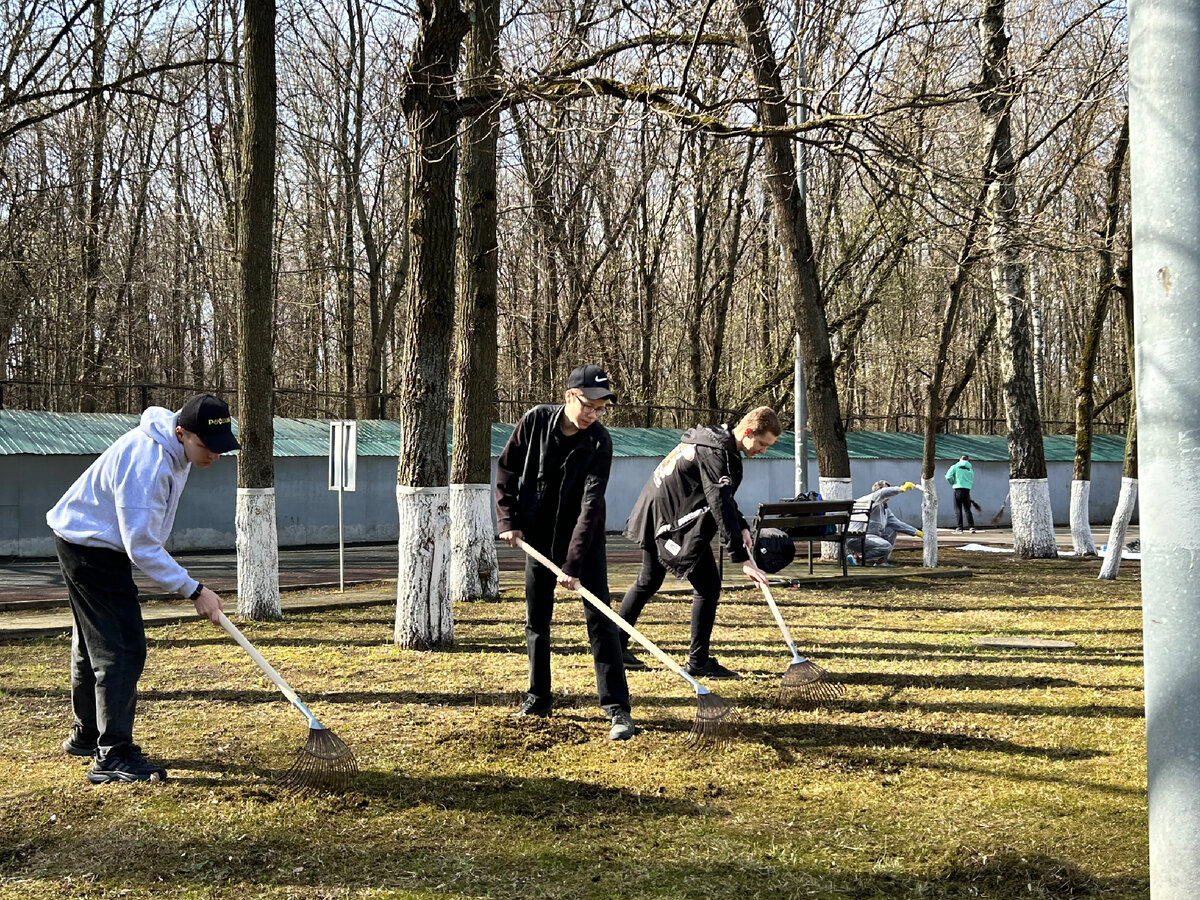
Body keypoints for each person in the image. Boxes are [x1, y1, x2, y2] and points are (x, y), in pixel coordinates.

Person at [46, 393, 237, 783]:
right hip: (91, 549)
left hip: (88, 541)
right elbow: (141, 546)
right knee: (121, 648)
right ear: (181, 432)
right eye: (206, 446)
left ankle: (88, 734)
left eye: (220, 448)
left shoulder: (175, 447)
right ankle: (112, 754)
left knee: (92, 642)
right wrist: (195, 590)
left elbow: (145, 535)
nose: (213, 456)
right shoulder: (148, 462)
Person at [494, 364, 635, 741]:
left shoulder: (599, 443)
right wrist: (507, 519)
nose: (593, 414)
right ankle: (538, 697)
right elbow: (506, 469)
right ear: (570, 396)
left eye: (600, 408)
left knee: (601, 621)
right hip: (536, 539)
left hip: (584, 543)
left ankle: (617, 709)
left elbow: (591, 507)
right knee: (537, 620)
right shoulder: (536, 420)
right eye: (589, 405)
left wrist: (573, 563)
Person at [617, 407, 779, 679]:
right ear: (748, 432)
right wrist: (740, 557)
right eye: (762, 444)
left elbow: (721, 495)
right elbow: (718, 502)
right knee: (708, 587)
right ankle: (698, 662)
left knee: (648, 581)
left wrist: (740, 525)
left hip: (656, 513)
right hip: (666, 521)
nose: (763, 451)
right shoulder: (717, 452)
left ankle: (614, 647)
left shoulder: (714, 441)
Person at [847, 480, 922, 567]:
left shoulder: (884, 508)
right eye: (888, 490)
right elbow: (882, 493)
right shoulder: (871, 499)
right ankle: (857, 558)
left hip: (870, 537)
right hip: (857, 538)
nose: (889, 495)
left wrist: (917, 532)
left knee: (892, 529)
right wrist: (901, 488)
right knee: (886, 547)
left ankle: (881, 562)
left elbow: (897, 524)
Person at [945, 454, 976, 532]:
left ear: (960, 459)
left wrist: (953, 483)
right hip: (967, 490)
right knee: (967, 509)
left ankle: (960, 527)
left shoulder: (955, 466)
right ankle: (971, 526)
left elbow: (948, 476)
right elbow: (971, 480)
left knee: (958, 509)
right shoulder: (970, 469)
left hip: (958, 489)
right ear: (968, 460)